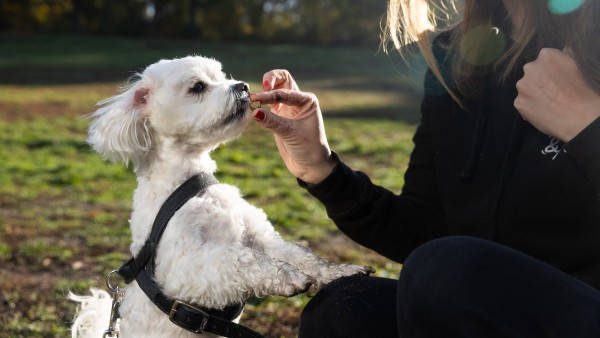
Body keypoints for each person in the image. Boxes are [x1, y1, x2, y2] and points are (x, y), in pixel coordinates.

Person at [249, 0, 600, 336]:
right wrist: (323, 171)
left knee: (447, 268)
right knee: (344, 311)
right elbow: (429, 234)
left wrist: (587, 127)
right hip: (491, 308)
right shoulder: (453, 55)